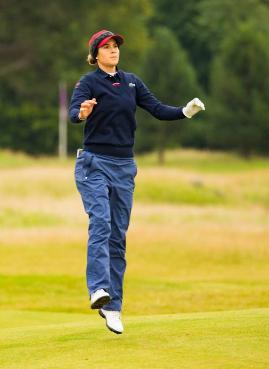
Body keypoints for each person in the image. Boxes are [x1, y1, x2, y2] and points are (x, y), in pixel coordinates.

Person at [69, 30, 204, 334]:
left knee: (118, 235)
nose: (113, 51)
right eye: (107, 47)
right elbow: (73, 114)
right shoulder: (88, 82)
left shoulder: (132, 82)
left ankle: (113, 307)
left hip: (124, 166)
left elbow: (157, 109)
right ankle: (98, 290)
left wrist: (185, 112)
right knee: (101, 222)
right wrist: (82, 112)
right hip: (94, 163)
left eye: (115, 46)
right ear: (96, 54)